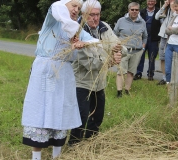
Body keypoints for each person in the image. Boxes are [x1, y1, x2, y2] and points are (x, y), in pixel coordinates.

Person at [21, 0, 103, 159]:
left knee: (61, 110)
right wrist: (75, 34)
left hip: (64, 73)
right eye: (73, 6)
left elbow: (96, 42)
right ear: (65, 4)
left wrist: (84, 42)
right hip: (45, 71)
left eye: (79, 8)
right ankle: (36, 157)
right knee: (41, 111)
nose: (76, 10)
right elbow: (57, 8)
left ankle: (56, 156)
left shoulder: (77, 29)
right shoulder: (54, 17)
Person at [69, 0, 124, 145]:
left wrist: (118, 53)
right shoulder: (77, 31)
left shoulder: (104, 27)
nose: (95, 18)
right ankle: (74, 145)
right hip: (82, 81)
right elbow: (89, 63)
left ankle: (90, 143)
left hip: (99, 82)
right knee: (82, 116)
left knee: (97, 116)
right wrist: (111, 60)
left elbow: (117, 44)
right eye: (91, 15)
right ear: (83, 14)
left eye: (97, 14)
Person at [115, 2, 148, 97]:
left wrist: (143, 46)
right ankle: (119, 92)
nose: (134, 11)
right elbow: (114, 33)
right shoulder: (121, 21)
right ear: (128, 10)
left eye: (136, 10)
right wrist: (117, 45)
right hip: (123, 50)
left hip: (137, 51)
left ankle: (126, 90)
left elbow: (145, 36)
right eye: (132, 9)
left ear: (139, 11)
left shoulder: (142, 22)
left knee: (131, 72)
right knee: (121, 71)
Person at [134, 0, 161, 81]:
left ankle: (150, 74)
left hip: (153, 38)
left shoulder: (159, 12)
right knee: (140, 56)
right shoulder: (141, 12)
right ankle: (138, 73)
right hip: (142, 38)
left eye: (152, 1)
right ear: (146, 2)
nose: (150, 3)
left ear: (155, 2)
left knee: (152, 57)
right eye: (149, 1)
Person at [155, 0, 175, 85]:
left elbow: (176, 16)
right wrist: (164, 5)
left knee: (174, 58)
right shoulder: (165, 8)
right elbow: (156, 17)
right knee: (162, 58)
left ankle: (176, 78)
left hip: (173, 35)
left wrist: (172, 7)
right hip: (163, 36)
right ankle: (164, 77)